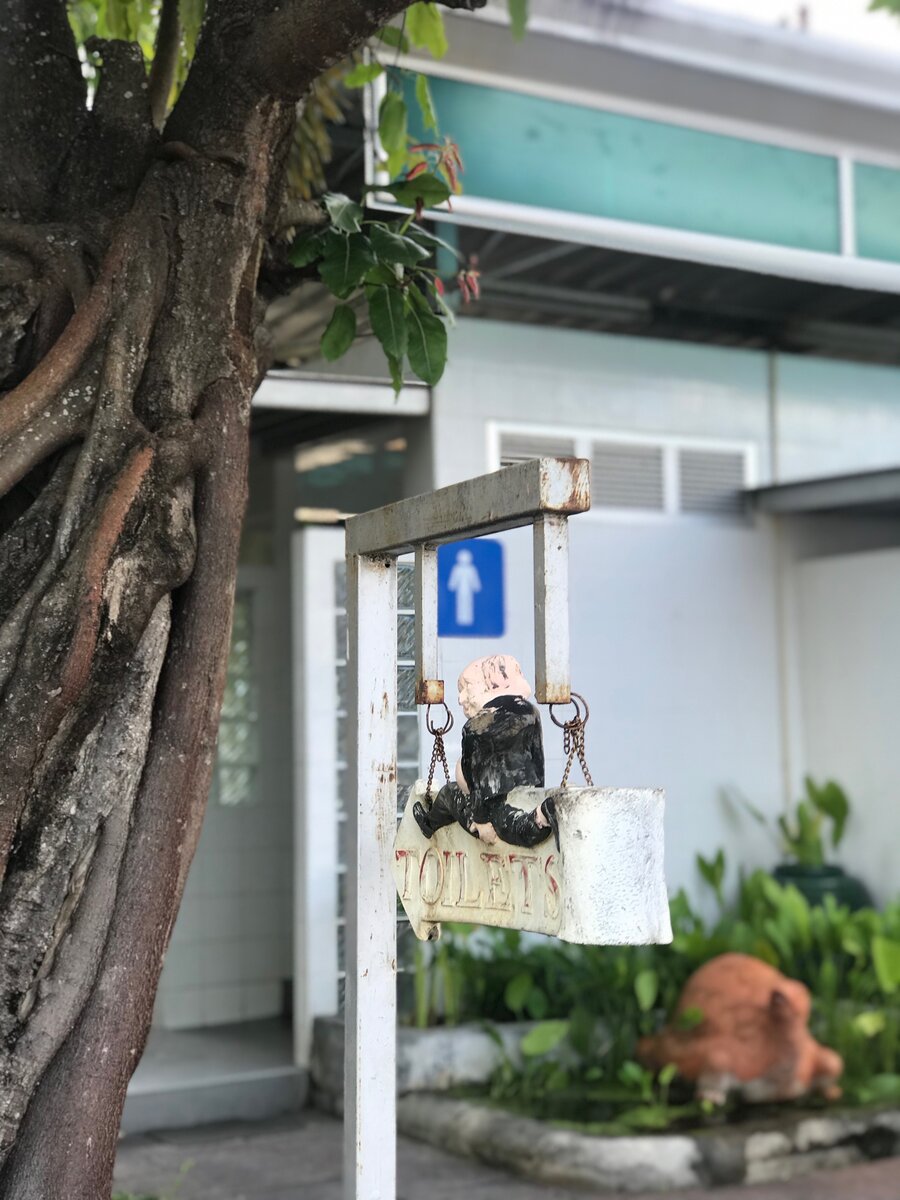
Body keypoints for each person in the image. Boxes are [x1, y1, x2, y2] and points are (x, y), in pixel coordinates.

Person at [412, 654, 555, 848]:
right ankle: (540, 815)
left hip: (493, 805)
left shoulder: (476, 726)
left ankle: (429, 824)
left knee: (449, 794)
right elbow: (536, 758)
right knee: (514, 822)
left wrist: (480, 821)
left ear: (489, 684)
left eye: (467, 688)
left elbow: (476, 777)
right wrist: (536, 792)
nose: (461, 699)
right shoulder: (530, 712)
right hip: (529, 793)